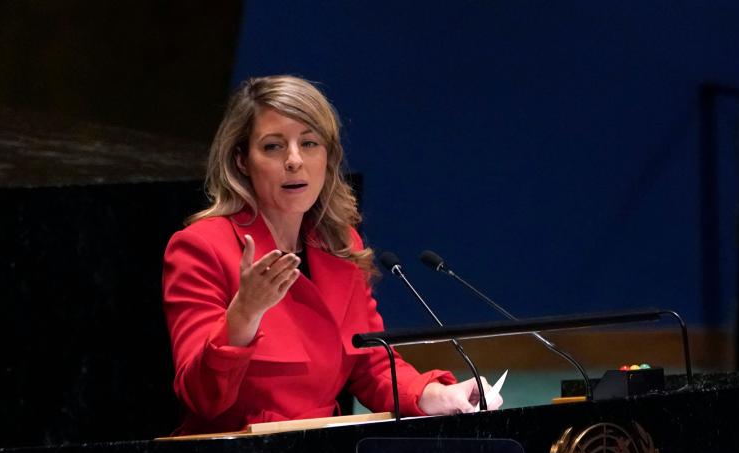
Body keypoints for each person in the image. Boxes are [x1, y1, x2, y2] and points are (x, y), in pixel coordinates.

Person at [163, 75, 500, 434]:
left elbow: (371, 365)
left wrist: (433, 394)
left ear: (328, 156)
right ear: (242, 159)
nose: (294, 160)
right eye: (274, 147)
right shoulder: (202, 246)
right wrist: (245, 314)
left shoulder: (340, 246)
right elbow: (201, 397)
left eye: (309, 143)